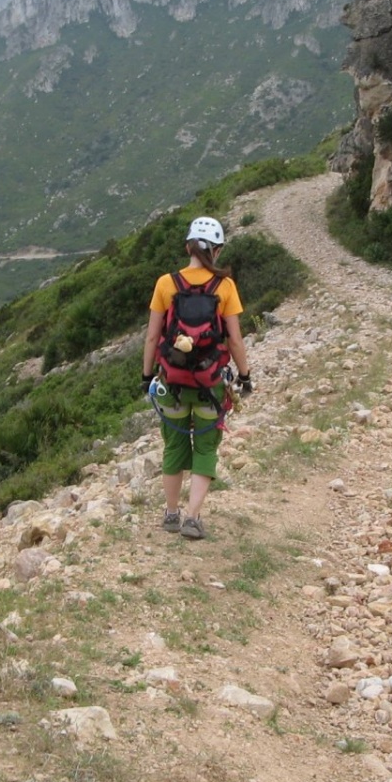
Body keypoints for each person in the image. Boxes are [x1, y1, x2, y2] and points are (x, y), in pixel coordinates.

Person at [143, 216, 252, 540]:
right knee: (205, 448)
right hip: (209, 385)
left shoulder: (166, 283)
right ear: (216, 251)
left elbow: (151, 337)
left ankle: (171, 513)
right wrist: (244, 377)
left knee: (174, 445)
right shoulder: (225, 286)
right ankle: (193, 518)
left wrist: (146, 375)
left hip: (172, 382)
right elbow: (234, 340)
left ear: (187, 246)